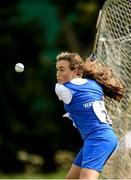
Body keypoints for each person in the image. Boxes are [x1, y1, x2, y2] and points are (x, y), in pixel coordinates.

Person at [55, 52, 124, 179]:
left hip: (99, 139)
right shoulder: (94, 84)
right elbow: (81, 82)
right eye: (57, 70)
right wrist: (85, 69)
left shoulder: (62, 89)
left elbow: (74, 85)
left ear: (76, 71)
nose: (58, 74)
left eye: (62, 69)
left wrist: (85, 68)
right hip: (102, 138)